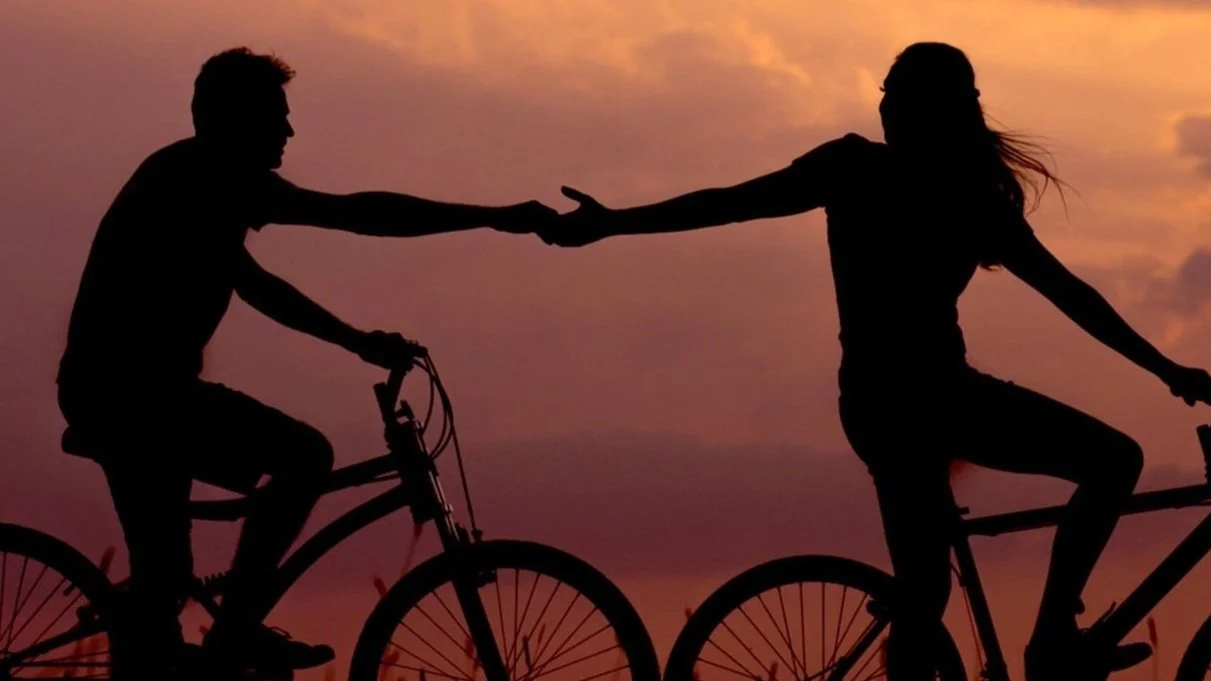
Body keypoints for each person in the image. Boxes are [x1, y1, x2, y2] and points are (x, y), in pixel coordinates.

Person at [537, 42, 1211, 681]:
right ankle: (1051, 642)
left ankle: (1047, 640)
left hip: (908, 399)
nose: (885, 106)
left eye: (900, 95)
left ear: (938, 109)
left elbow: (1070, 294)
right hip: (914, 402)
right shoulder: (875, 174)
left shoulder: (943, 191)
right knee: (1089, 476)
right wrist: (615, 222)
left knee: (934, 581)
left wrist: (1163, 368)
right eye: (885, 93)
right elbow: (730, 204)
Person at [55, 46, 557, 679]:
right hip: (129, 397)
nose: (289, 131)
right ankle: (234, 632)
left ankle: (208, 639)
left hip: (145, 395)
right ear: (234, 119)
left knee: (165, 587)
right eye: (275, 115)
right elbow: (353, 215)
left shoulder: (201, 188)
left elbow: (258, 284)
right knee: (303, 458)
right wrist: (494, 218)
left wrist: (357, 340)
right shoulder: (201, 178)